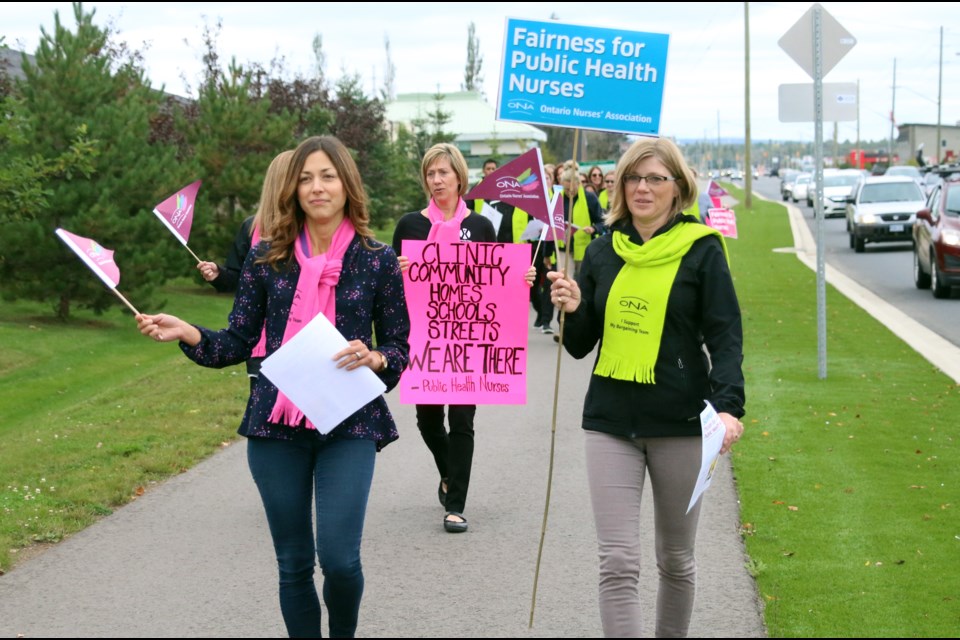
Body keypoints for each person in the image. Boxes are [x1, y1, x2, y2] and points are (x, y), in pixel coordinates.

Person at [136, 135, 410, 638]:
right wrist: (187, 331)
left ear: (347, 184)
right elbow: (236, 340)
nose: (316, 187)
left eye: (327, 175)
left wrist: (373, 356)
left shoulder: (377, 259)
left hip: (350, 423)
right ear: (292, 189)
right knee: (294, 563)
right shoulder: (267, 258)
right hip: (274, 424)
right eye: (305, 178)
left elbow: (399, 348)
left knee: (340, 561)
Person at [547, 136, 745, 638]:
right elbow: (581, 344)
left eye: (655, 178)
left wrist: (727, 407)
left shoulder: (701, 250)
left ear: (678, 188)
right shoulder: (600, 252)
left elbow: (725, 335)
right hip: (611, 422)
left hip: (681, 423)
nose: (642, 187)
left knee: (675, 559)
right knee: (617, 561)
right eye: (633, 177)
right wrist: (572, 309)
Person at [391, 143, 498, 534]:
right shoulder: (410, 225)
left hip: (468, 339)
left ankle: (456, 506)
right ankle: (448, 473)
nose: (436, 181)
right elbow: (389, 285)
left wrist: (522, 280)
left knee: (463, 419)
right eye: (430, 174)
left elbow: (496, 282)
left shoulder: (481, 227)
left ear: (458, 178)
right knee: (428, 420)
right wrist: (397, 268)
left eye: (443, 173)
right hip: (424, 339)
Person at [196, 150, 294, 392]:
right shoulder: (252, 228)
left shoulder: (322, 230)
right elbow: (239, 281)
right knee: (264, 421)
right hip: (261, 343)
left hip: (309, 341)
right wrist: (218, 274)